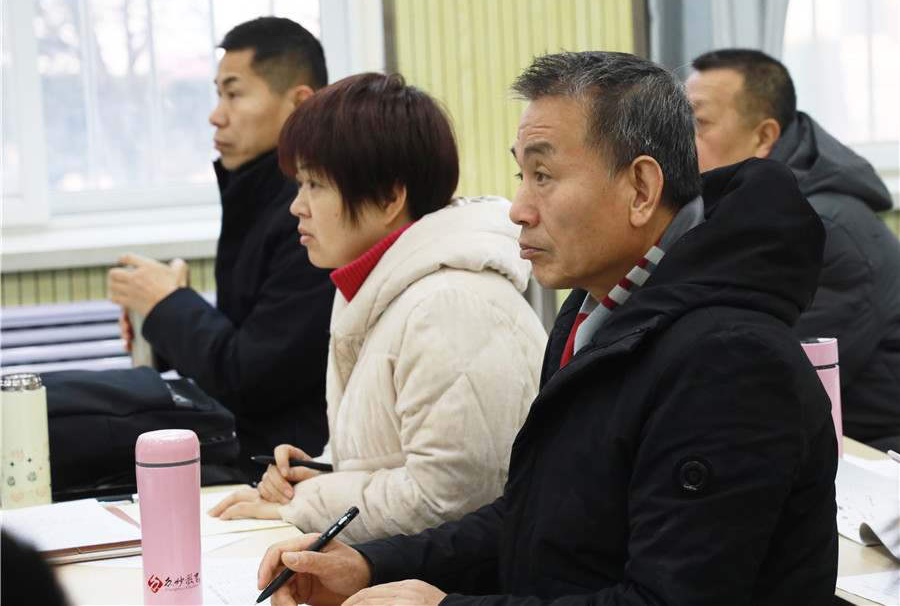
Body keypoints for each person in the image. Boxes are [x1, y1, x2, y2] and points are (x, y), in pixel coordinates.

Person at [253, 51, 839, 606]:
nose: (518, 208)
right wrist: (370, 565)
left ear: (640, 190)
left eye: (544, 175)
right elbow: (534, 519)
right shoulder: (594, 312)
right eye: (521, 174)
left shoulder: (727, 361)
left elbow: (668, 599)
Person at [209, 72, 547, 543]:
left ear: (390, 197)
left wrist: (306, 503)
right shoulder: (384, 289)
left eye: (315, 185)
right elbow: (392, 456)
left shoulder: (450, 306)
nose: (297, 207)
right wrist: (316, 472)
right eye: (299, 184)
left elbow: (449, 499)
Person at [107, 17, 335, 475]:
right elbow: (252, 337)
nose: (216, 115)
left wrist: (171, 306)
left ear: (299, 103)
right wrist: (163, 320)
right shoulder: (255, 193)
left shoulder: (313, 213)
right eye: (218, 94)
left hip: (283, 464)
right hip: (244, 446)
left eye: (234, 94)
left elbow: (252, 380)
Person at [686, 48, 900, 451]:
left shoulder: (820, 228)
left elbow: (770, 376)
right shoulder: (737, 211)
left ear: (763, 136)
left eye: (697, 122)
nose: (678, 140)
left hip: (870, 454)